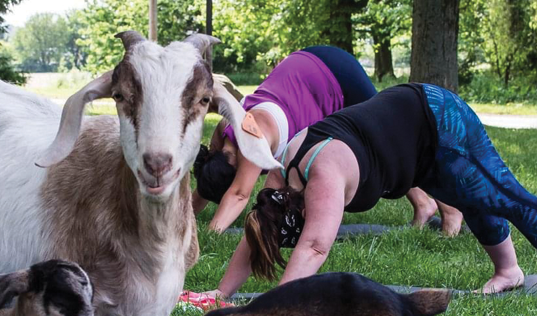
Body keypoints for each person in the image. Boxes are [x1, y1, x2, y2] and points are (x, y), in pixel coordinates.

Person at [193, 83, 537, 300]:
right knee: (472, 199)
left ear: (296, 214)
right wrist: (221, 292)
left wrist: (278, 307)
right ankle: (509, 271)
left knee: (499, 194)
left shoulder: (322, 176)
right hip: (411, 147)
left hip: (436, 120)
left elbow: (314, 247)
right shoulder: (279, 179)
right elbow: (257, 229)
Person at [193, 45, 463, 235]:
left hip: (332, 74)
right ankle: (423, 204)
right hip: (303, 69)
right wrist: (187, 217)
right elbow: (209, 180)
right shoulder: (224, 130)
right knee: (381, 146)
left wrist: (209, 234)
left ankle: (450, 211)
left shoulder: (252, 139)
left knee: (392, 141)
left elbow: (239, 194)